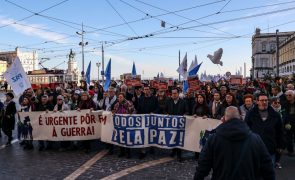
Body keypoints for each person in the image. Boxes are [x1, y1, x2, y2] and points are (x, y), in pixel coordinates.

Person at [194, 106, 275, 180]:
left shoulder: (213, 139)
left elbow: (203, 166)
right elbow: (267, 166)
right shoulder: (256, 139)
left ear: (223, 119)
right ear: (240, 118)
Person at [245, 93, 284, 165]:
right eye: (262, 100)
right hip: (255, 148)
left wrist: (280, 145)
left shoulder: (275, 115)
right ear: (257, 101)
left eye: (266, 100)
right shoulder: (250, 114)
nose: (264, 102)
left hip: (270, 147)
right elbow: (246, 130)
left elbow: (280, 131)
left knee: (269, 172)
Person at [137, 85, 159, 159]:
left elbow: (158, 108)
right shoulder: (141, 99)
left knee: (151, 133)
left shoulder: (154, 98)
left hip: (152, 120)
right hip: (143, 120)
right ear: (143, 90)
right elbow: (138, 108)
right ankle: (143, 151)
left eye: (147, 89)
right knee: (143, 134)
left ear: (150, 90)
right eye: (145, 89)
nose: (146, 91)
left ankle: (152, 147)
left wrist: (153, 112)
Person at [166, 88, 187, 162]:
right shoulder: (168, 101)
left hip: (179, 123)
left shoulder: (183, 102)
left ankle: (179, 154)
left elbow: (187, 111)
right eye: (172, 93)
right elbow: (165, 110)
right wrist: (166, 114)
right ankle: (173, 151)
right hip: (171, 123)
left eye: (175, 93)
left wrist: (185, 115)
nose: (173, 95)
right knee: (172, 137)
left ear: (178, 94)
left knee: (178, 138)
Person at [113, 93, 135, 158]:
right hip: (119, 124)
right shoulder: (116, 104)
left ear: (124, 97)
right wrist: (113, 113)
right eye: (118, 97)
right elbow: (114, 111)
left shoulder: (128, 103)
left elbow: (133, 111)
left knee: (127, 138)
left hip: (126, 123)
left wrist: (129, 111)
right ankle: (122, 151)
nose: (119, 99)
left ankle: (128, 153)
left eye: (121, 97)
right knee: (120, 137)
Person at [270, 97, 284, 169]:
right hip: (272, 132)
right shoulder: (269, 111)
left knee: (280, 147)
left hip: (281, 130)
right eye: (275, 103)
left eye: (278, 102)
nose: (277, 104)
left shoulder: (282, 109)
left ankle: (277, 161)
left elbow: (286, 117)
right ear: (272, 103)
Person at [283, 90, 295, 157]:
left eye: (290, 95)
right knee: (289, 138)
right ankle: (290, 151)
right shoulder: (284, 103)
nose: (288, 96)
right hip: (288, 123)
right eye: (287, 95)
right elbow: (284, 114)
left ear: (293, 95)